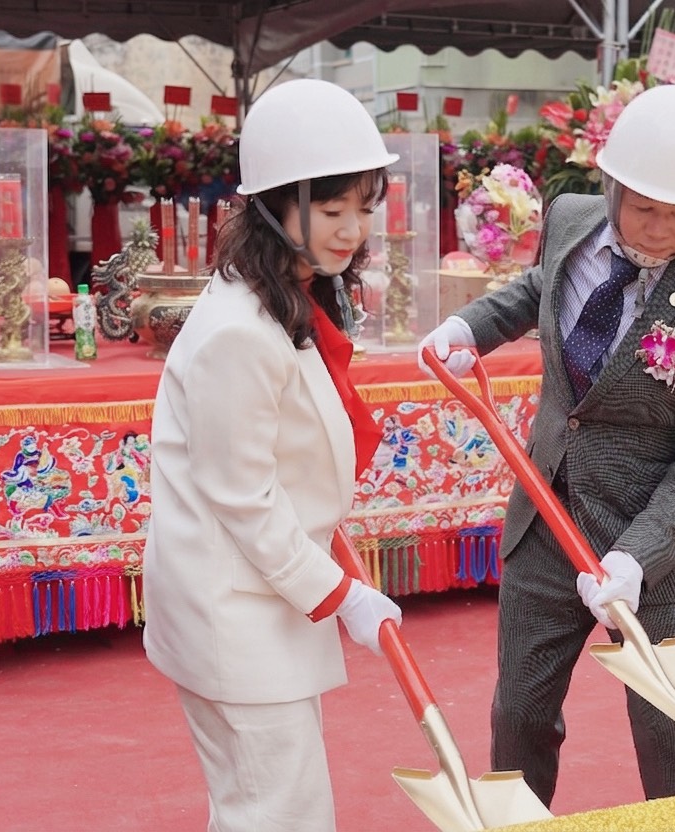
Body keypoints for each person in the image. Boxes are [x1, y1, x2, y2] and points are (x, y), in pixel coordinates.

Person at [417, 84, 675, 805]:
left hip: (654, 548)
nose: (660, 229)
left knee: (668, 731)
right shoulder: (572, 219)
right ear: (611, 185)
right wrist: (472, 328)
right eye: (645, 208)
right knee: (518, 714)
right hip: (547, 517)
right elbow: (540, 288)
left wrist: (635, 560)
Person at [142, 78, 403, 831]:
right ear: (272, 206)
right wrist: (340, 593)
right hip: (234, 613)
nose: (352, 229)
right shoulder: (239, 331)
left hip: (256, 607)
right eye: (331, 209)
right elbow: (245, 499)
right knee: (276, 813)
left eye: (363, 206)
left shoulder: (283, 296)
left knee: (277, 807)